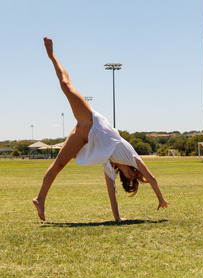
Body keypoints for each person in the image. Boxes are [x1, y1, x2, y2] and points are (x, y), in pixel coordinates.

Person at [33, 37, 169, 222]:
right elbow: (151, 178)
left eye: (132, 176)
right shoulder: (130, 156)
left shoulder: (110, 166)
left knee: (59, 164)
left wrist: (117, 220)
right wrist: (161, 199)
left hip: (83, 135)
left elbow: (111, 194)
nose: (135, 174)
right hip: (92, 122)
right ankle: (51, 55)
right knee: (66, 84)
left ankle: (39, 199)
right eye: (135, 174)